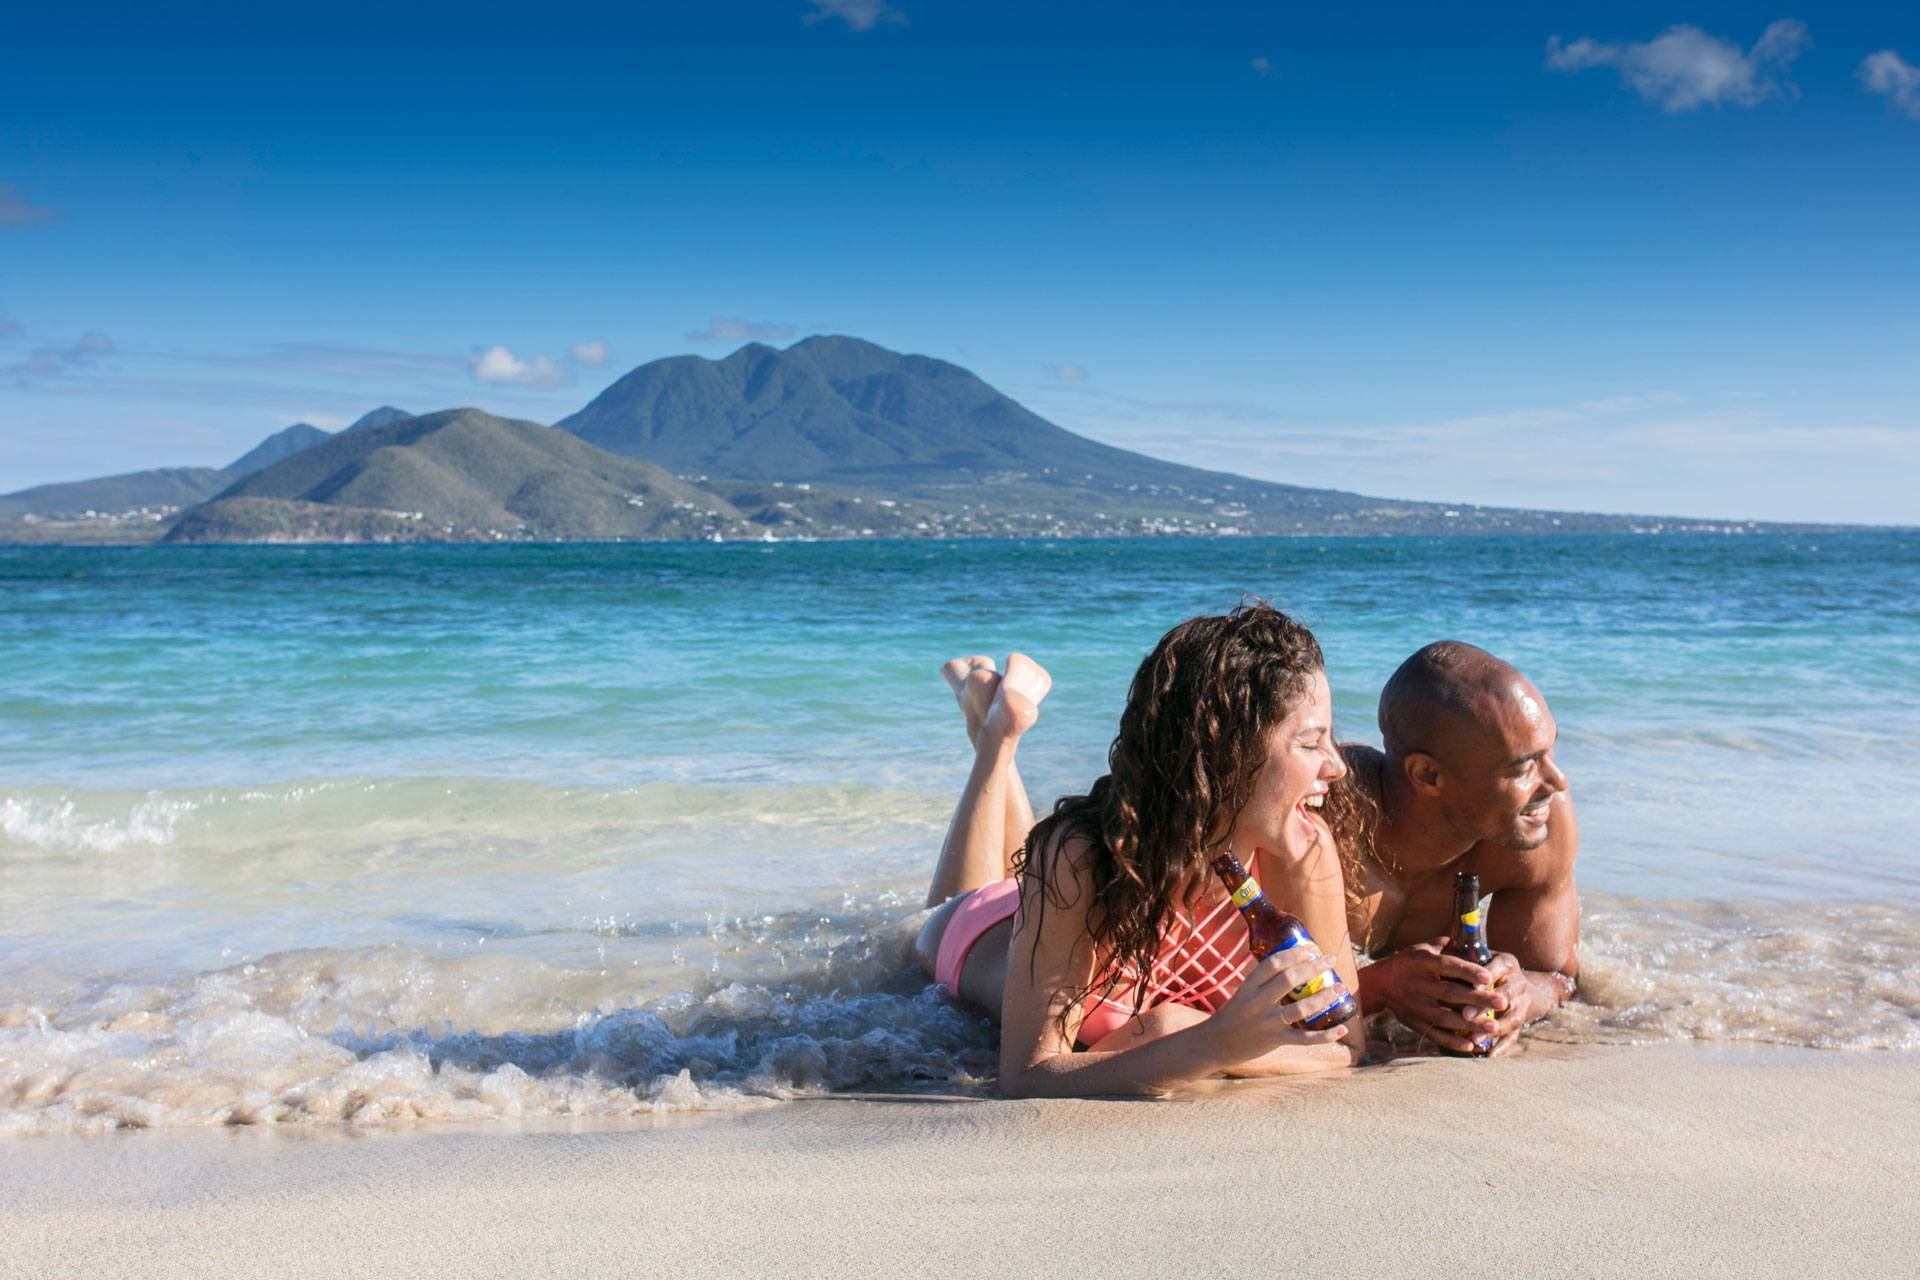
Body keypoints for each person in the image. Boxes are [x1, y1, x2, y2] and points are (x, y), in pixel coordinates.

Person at [912, 605, 1367, 1097]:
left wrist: (1188, 1034)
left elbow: (1345, 1045)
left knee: (1024, 872)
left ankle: (998, 720)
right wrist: (1209, 1043)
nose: (1337, 766)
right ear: (1228, 751)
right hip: (976, 933)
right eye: (1309, 743)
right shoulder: (1079, 858)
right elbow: (1024, 1077)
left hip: (1044, 906)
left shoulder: (1302, 850)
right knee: (979, 889)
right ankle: (997, 740)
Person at [1332, 641, 1579, 1055]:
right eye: (1523, 767)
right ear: (1427, 774)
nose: (1556, 782)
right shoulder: (1324, 819)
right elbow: (1235, 990)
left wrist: (1519, 995)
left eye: (1549, 751)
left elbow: (1560, 979)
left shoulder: (1538, 829)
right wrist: (1380, 987)